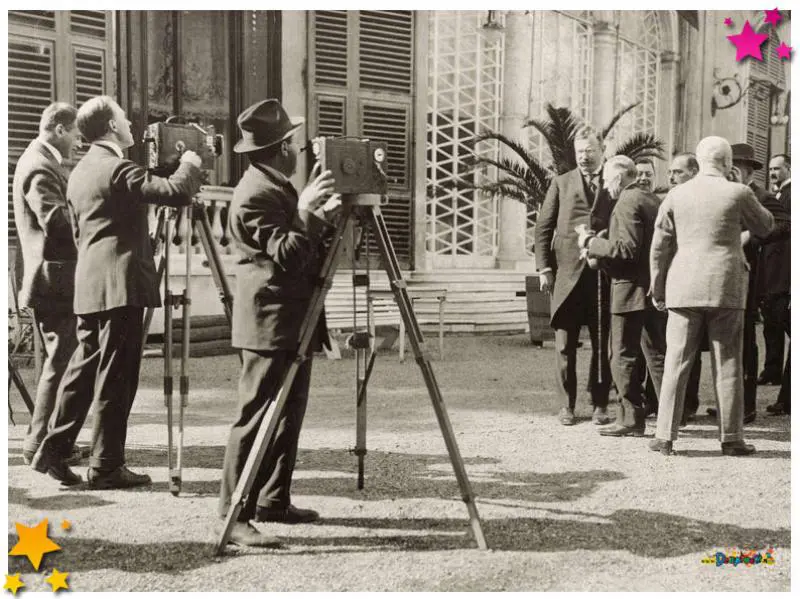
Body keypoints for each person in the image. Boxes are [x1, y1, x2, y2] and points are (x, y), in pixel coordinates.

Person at [31, 96, 203, 487]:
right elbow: (176, 192)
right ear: (111, 125)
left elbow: (82, 231)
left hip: (90, 285)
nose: (129, 124)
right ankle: (106, 466)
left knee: (83, 371)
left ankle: (54, 448)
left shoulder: (81, 171)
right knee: (117, 376)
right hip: (121, 285)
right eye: (124, 118)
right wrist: (191, 163)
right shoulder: (117, 167)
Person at [218, 99, 340, 548]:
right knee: (255, 417)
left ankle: (273, 498)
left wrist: (320, 216)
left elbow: (301, 248)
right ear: (282, 147)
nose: (300, 151)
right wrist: (307, 211)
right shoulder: (256, 193)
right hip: (269, 320)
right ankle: (233, 515)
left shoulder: (274, 185)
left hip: (290, 317)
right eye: (295, 144)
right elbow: (287, 254)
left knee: (288, 413)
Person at [649, 136, 773, 456]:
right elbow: (765, 226)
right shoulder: (738, 192)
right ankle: (731, 438)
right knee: (728, 361)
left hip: (683, 285)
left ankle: (664, 436)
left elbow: (660, 246)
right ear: (728, 163)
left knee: (676, 361)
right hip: (725, 285)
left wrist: (657, 286)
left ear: (700, 161)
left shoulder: (676, 194)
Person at [12, 102, 88, 466]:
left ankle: (46, 439)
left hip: (53, 277)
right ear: (59, 129)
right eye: (75, 134)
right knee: (62, 363)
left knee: (62, 362)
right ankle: (40, 442)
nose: (78, 142)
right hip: (54, 280)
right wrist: (93, 220)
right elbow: (56, 222)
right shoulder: (39, 165)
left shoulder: (41, 161)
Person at [577, 156, 664, 436]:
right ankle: (670, 416)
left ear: (618, 177)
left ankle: (630, 419)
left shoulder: (626, 201)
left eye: (606, 180)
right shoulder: (651, 199)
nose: (605, 187)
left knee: (622, 356)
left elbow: (626, 250)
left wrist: (591, 243)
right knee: (657, 357)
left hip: (628, 290)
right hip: (653, 289)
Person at [534, 126, 614, 426]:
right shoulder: (562, 183)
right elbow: (543, 228)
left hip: (602, 275)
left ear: (602, 150)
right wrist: (544, 269)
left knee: (601, 343)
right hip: (567, 277)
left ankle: (600, 403)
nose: (584, 157)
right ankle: (566, 405)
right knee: (564, 344)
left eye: (590, 151)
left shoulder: (613, 180)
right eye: (580, 152)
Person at [759, 154, 791, 389]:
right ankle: (772, 370)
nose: (772, 173)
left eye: (777, 169)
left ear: (788, 169)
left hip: (782, 270)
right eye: (770, 169)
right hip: (770, 270)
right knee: (771, 324)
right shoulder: (778, 194)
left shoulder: (791, 195)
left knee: (782, 321)